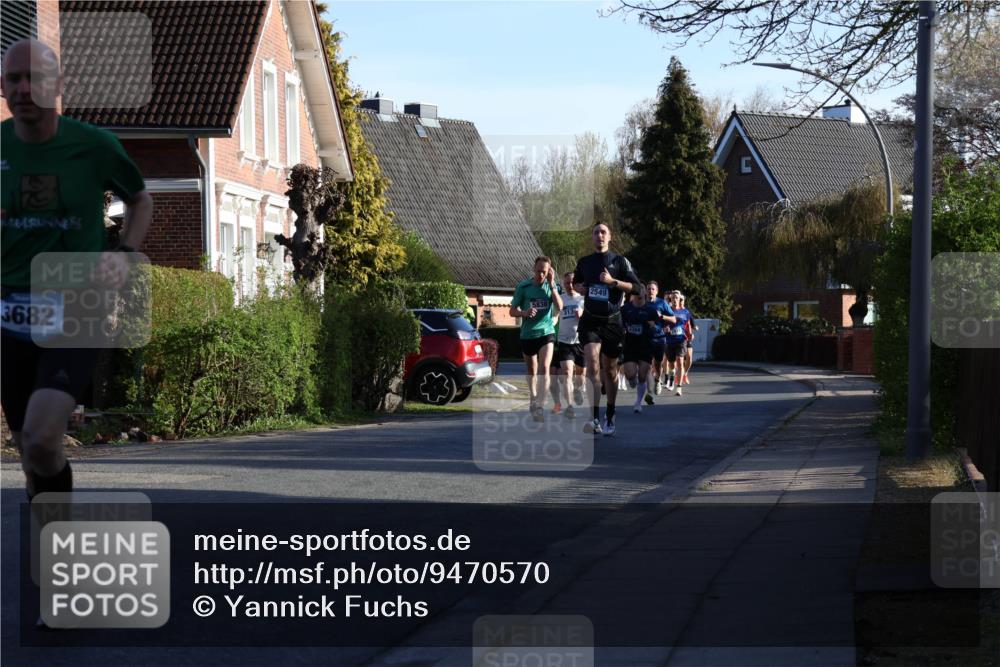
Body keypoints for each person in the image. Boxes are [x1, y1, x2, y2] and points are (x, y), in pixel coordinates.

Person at [1, 39, 153, 502]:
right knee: (32, 452)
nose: (25, 88)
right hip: (10, 317)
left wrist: (124, 252)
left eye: (37, 78)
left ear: (58, 86)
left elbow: (140, 199)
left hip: (75, 311)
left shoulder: (94, 146)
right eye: (14, 79)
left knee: (44, 437)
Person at [572, 223, 642, 436]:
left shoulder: (620, 261)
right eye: (596, 232)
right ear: (592, 237)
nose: (599, 236)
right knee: (593, 366)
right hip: (591, 321)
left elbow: (637, 287)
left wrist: (614, 282)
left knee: (610, 371)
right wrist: (579, 288)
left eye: (603, 232)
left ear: (609, 236)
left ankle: (610, 413)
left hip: (612, 321)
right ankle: (594, 418)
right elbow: (575, 283)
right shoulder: (584, 262)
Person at [509, 256, 562, 421]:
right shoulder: (523, 287)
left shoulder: (551, 286)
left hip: (546, 332)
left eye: (544, 272)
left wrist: (552, 285)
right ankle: (533, 397)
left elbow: (559, 307)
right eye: (539, 271)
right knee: (531, 370)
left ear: (549, 271)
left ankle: (540, 404)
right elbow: (512, 311)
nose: (541, 275)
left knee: (544, 369)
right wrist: (524, 313)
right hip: (527, 334)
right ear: (534, 269)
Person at [552, 271, 585, 420]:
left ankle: (578, 389)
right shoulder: (561, 300)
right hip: (564, 341)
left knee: (581, 376)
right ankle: (570, 406)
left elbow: (592, 317)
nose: (570, 285)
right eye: (567, 283)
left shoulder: (584, 299)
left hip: (581, 342)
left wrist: (583, 314)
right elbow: (554, 317)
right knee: (566, 374)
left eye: (572, 282)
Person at [620, 290, 659, 414]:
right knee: (630, 375)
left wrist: (653, 326)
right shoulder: (625, 309)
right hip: (630, 346)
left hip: (645, 346)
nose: (640, 292)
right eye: (637, 290)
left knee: (642, 376)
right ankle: (632, 379)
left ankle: (638, 402)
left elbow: (659, 327)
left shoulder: (651, 310)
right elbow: (619, 324)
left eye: (642, 290)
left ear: (645, 294)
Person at [644, 281, 675, 400]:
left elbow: (673, 319)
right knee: (645, 365)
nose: (650, 291)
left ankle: (657, 380)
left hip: (659, 339)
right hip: (645, 339)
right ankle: (649, 385)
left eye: (652, 289)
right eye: (648, 289)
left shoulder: (662, 303)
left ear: (656, 291)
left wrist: (661, 316)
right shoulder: (642, 303)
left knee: (657, 364)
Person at [665, 292, 692, 396]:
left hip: (681, 340)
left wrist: (689, 334)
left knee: (680, 361)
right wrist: (664, 328)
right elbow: (661, 323)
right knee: (671, 364)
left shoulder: (685, 312)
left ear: (680, 299)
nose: (675, 299)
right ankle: (672, 377)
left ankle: (679, 387)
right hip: (669, 341)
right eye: (673, 298)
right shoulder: (667, 311)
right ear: (670, 299)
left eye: (676, 298)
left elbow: (688, 324)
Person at [679, 293, 698, 384]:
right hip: (677, 338)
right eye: (679, 299)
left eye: (682, 300)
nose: (680, 301)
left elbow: (692, 323)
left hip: (687, 337)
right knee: (679, 359)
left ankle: (685, 374)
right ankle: (677, 376)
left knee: (689, 357)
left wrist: (694, 329)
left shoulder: (687, 311)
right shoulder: (672, 310)